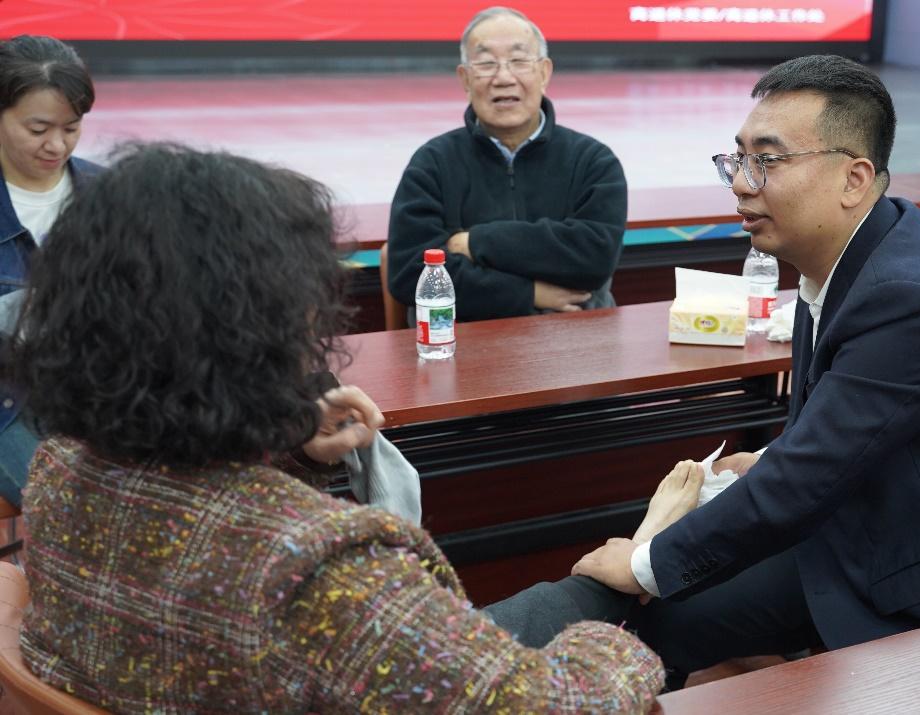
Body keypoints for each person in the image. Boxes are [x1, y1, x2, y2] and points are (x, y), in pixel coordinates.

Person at [6, 143, 663, 712]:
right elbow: (560, 704)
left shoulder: (60, 471)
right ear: (264, 331)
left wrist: (289, 446)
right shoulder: (315, 570)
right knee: (603, 599)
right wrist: (629, 618)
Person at [573, 55, 920, 687]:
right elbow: (843, 431)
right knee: (680, 587)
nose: (741, 183)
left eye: (767, 161)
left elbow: (803, 483)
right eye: (737, 159)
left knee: (649, 617)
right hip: (875, 524)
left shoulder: (907, 299)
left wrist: (644, 564)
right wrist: (771, 457)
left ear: (854, 179)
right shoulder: (852, 255)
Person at [387, 6, 627, 322]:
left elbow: (594, 258)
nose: (503, 78)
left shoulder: (593, 161)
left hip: (571, 340)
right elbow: (409, 273)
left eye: (518, 61)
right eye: (486, 64)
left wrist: (475, 242)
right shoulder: (432, 163)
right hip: (464, 342)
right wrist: (528, 293)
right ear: (465, 79)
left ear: (544, 73)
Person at [0, 35, 101, 508]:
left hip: (98, 396)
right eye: (38, 129)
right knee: (78, 514)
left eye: (72, 128)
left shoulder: (109, 193)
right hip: (9, 405)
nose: (56, 145)